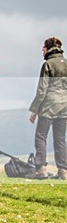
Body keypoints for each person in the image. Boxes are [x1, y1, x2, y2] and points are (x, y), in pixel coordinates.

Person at [28, 37, 67, 180]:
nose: (42, 50)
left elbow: (42, 90)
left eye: (43, 47)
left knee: (41, 136)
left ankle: (41, 170)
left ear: (49, 48)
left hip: (49, 105)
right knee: (60, 138)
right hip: (64, 106)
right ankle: (63, 171)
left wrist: (35, 110)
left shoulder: (48, 65)